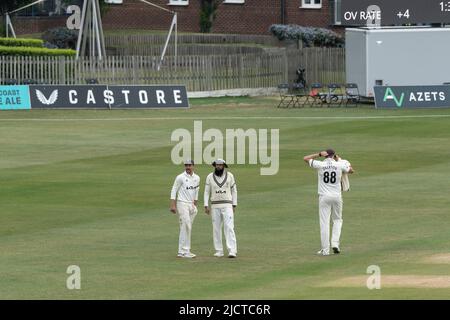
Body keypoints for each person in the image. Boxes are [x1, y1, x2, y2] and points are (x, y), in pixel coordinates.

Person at [304, 149, 354, 256]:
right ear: (333, 156)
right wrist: (340, 160)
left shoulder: (320, 164)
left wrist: (318, 154)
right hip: (337, 196)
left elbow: (306, 158)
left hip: (324, 197)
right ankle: (335, 243)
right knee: (337, 220)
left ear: (325, 156)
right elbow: (351, 170)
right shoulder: (339, 165)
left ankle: (325, 250)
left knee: (324, 223)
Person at [204, 159, 238, 258]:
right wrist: (206, 205)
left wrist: (234, 204)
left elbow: (234, 191)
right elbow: (206, 192)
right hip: (215, 205)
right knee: (216, 228)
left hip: (227, 205)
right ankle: (219, 250)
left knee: (229, 227)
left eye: (220, 165)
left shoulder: (230, 176)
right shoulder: (210, 177)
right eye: (216, 165)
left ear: (223, 166)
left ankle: (232, 250)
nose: (218, 166)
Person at [170, 160, 200, 258]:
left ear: (193, 166)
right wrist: (173, 205)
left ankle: (181, 252)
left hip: (190, 205)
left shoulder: (197, 178)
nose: (188, 167)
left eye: (189, 165)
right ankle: (186, 251)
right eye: (186, 165)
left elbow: (196, 191)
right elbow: (174, 190)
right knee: (187, 226)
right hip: (181, 203)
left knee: (184, 227)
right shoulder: (180, 177)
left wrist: (194, 204)